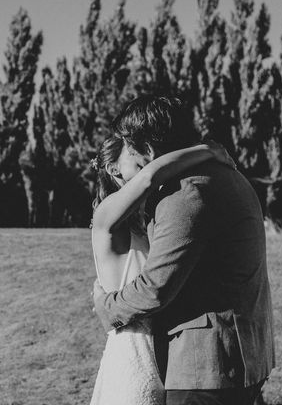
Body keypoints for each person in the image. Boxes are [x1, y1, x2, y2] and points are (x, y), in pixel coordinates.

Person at [93, 96, 275, 405]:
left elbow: (154, 290)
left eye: (133, 151)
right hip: (237, 354)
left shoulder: (185, 195)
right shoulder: (232, 177)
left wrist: (106, 307)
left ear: (147, 149)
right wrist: (205, 150)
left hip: (206, 365)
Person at [89, 135, 235, 405]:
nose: (148, 160)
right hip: (133, 348)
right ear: (114, 169)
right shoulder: (104, 216)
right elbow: (150, 177)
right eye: (137, 156)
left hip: (165, 344)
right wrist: (205, 150)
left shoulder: (143, 221)